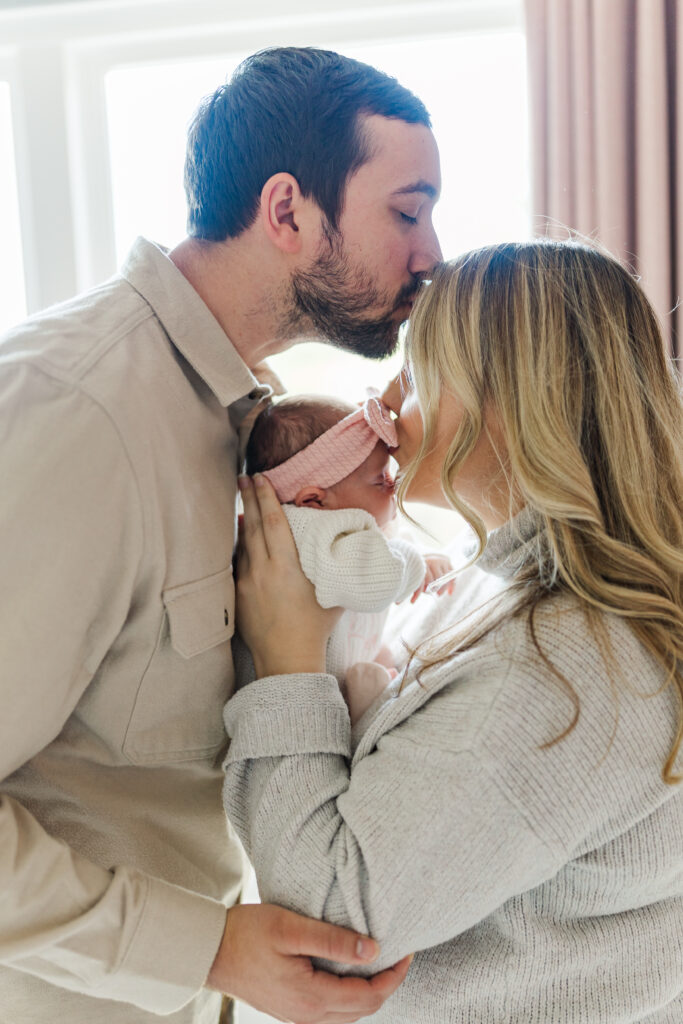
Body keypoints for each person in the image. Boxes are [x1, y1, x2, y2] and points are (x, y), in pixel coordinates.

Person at [0, 45, 442, 1023]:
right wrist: (205, 946)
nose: (431, 254)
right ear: (286, 211)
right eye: (406, 212)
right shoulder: (77, 412)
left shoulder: (249, 420)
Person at [225, 239, 683, 1022]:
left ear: (509, 396)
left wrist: (285, 661)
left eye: (419, 367)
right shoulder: (521, 588)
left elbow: (331, 918)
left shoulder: (558, 670)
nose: (389, 398)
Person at [242, 391, 453, 723]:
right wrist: (417, 565)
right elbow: (375, 575)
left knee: (387, 662)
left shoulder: (333, 521)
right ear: (314, 500)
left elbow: (382, 545)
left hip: (344, 662)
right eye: (379, 480)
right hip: (308, 699)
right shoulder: (305, 529)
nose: (393, 484)